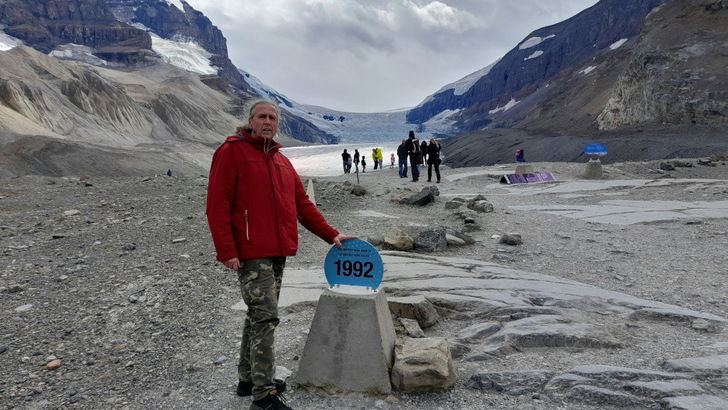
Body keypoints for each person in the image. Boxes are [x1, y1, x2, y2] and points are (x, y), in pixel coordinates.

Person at [206, 100, 356, 410]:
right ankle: (263, 396)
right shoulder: (232, 152)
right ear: (249, 121)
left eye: (272, 118)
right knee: (266, 317)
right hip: (250, 253)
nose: (267, 122)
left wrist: (332, 234)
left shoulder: (281, 162)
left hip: (276, 252)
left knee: (257, 315)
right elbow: (217, 204)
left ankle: (248, 380)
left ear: (277, 124)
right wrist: (227, 250)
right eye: (261, 116)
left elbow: (303, 206)